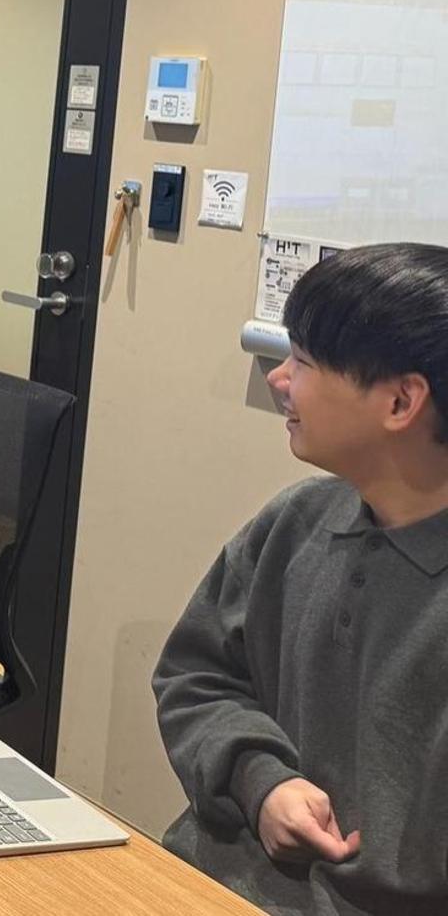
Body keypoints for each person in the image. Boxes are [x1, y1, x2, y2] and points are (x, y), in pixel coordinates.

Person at [154, 243, 448, 915]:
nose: (279, 378)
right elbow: (195, 676)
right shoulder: (297, 521)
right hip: (202, 874)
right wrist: (261, 780)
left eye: (305, 362)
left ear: (402, 400)